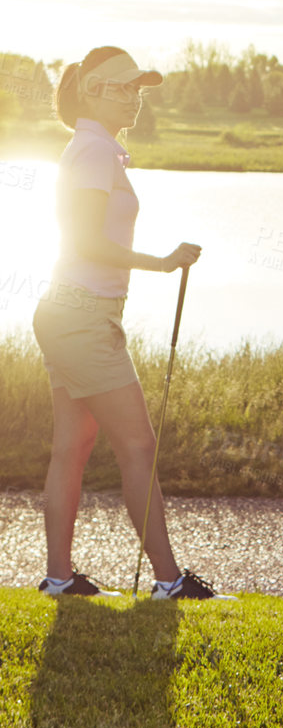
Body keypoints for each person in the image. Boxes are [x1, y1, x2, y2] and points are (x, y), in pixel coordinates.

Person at [33, 47, 227, 600]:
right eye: (124, 87)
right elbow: (89, 242)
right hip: (82, 316)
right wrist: (163, 262)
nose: (135, 97)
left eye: (138, 87)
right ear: (95, 90)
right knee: (138, 446)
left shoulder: (95, 150)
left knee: (72, 445)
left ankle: (59, 578)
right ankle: (168, 581)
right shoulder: (94, 153)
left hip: (68, 311)